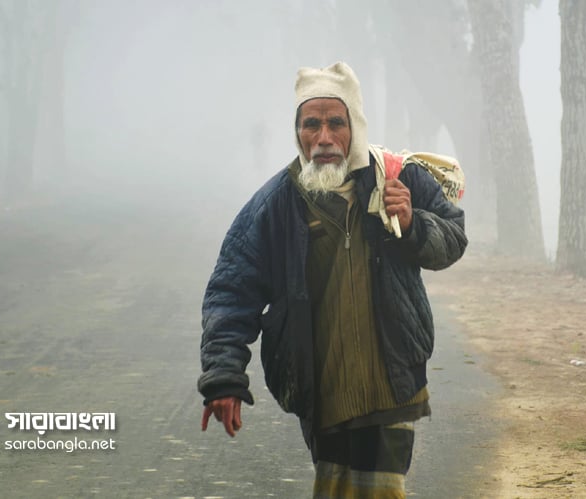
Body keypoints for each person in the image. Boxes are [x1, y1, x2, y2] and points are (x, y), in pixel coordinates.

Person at [198, 61, 467, 498]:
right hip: (322, 391)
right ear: (297, 131)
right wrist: (224, 377)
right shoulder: (276, 203)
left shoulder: (398, 177)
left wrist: (413, 221)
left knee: (383, 491)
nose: (323, 138)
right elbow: (231, 291)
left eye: (335, 123)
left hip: (393, 380)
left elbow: (453, 238)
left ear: (354, 126)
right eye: (311, 125)